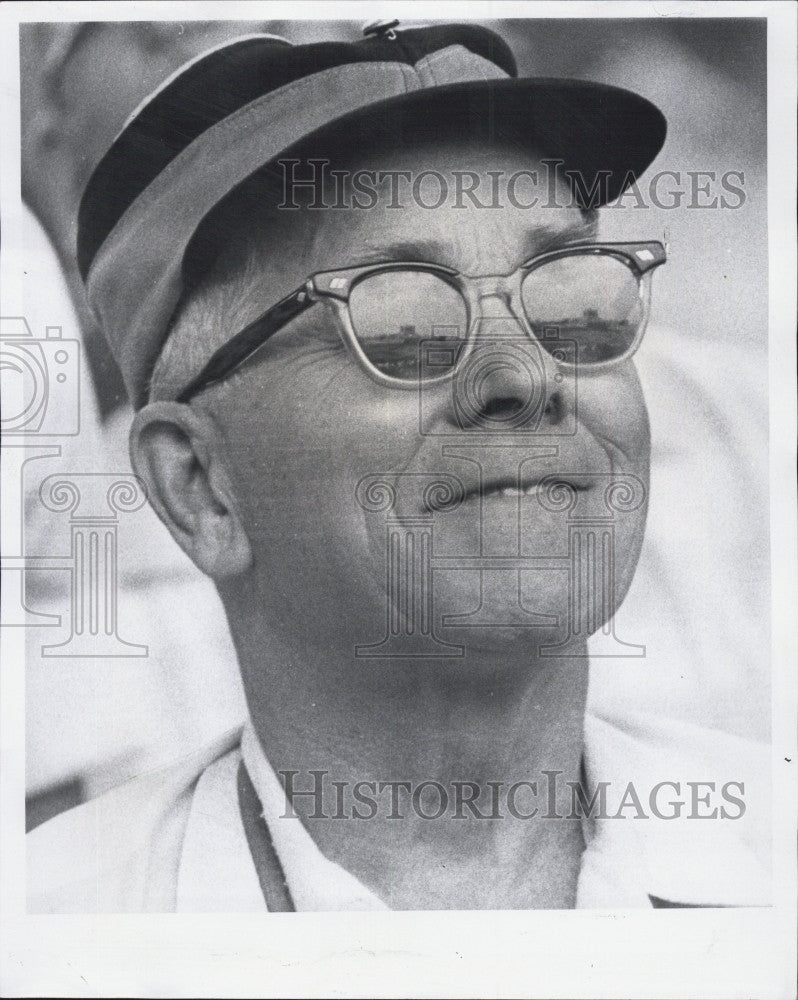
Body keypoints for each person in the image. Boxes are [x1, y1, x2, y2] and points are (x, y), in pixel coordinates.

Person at [28, 22, 769, 912]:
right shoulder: (53, 925)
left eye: (572, 298)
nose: (523, 377)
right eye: (403, 323)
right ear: (199, 487)